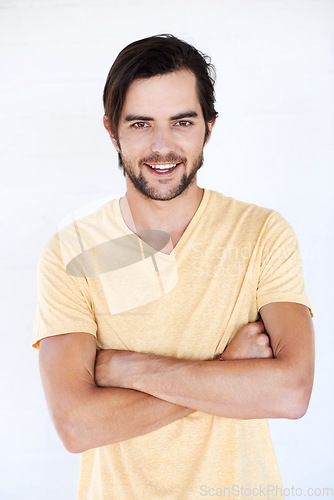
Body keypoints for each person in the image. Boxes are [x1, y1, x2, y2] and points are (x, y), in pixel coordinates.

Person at [33, 34, 314, 499]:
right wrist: (225, 368)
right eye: (141, 124)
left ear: (209, 127)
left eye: (182, 121)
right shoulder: (72, 251)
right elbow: (77, 425)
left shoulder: (262, 233)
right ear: (111, 130)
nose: (162, 147)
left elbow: (290, 393)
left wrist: (124, 369)